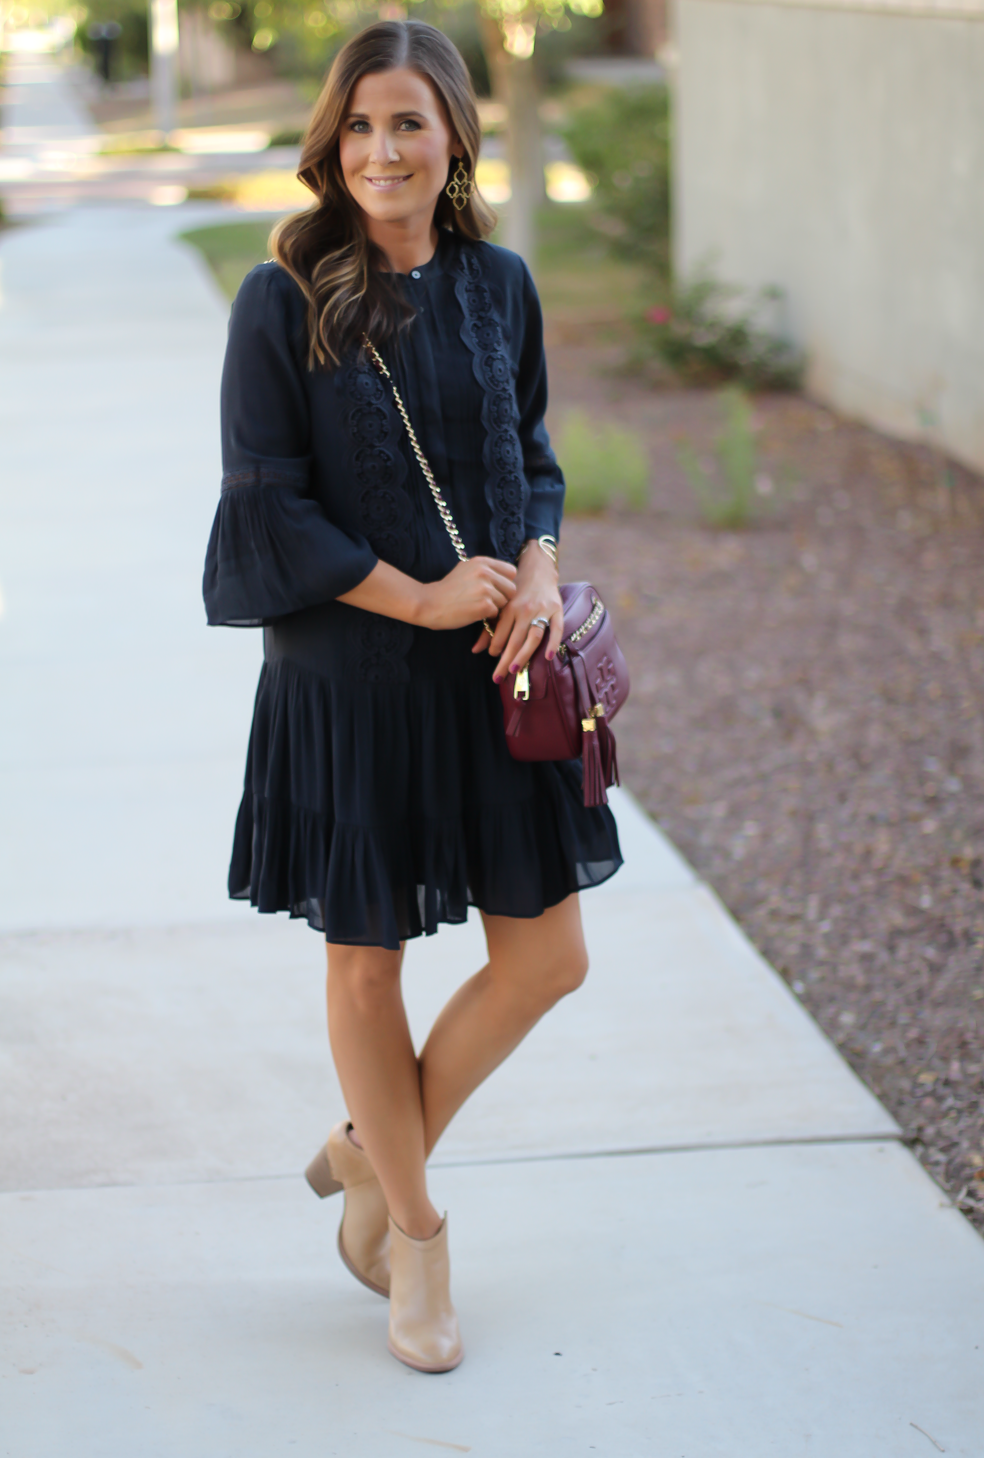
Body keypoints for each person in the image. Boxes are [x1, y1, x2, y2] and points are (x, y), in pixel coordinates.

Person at [203, 18, 622, 1374]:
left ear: (454, 139)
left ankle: (366, 1144)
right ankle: (415, 1235)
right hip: (354, 676)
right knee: (365, 957)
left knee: (549, 955)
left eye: (410, 123)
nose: (384, 149)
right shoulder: (285, 294)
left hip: (495, 673)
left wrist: (542, 568)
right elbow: (265, 503)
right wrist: (422, 593)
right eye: (363, 124)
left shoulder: (500, 283)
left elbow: (536, 457)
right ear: (333, 140)